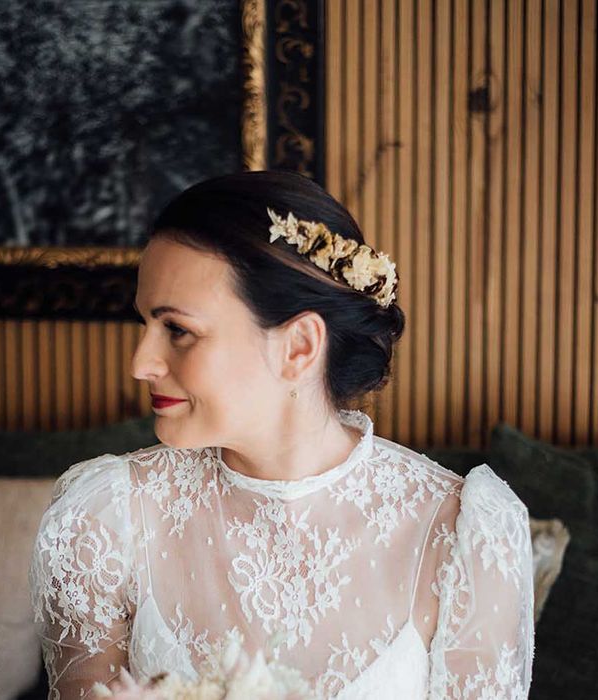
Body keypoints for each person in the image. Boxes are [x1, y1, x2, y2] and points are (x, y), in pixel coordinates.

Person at [29, 169, 534, 699]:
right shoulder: (101, 522)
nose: (142, 363)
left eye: (177, 329)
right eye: (145, 326)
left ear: (298, 347)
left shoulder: (465, 537)